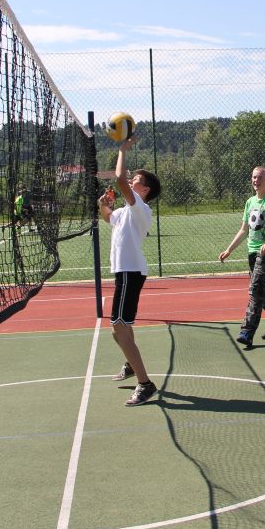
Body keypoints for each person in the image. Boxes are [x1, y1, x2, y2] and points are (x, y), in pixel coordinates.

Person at [98, 137, 162, 407]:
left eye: (136, 180)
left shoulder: (140, 208)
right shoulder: (126, 211)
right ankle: (131, 364)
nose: (131, 180)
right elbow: (107, 216)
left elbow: (120, 179)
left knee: (118, 327)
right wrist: (103, 203)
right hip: (124, 272)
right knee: (122, 326)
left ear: (144, 190)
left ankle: (145, 384)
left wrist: (122, 150)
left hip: (130, 272)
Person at [219, 166, 265, 350]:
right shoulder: (250, 202)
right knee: (262, 291)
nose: (256, 180)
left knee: (255, 290)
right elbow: (244, 230)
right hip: (252, 252)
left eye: (260, 178)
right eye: (254, 177)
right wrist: (229, 250)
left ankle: (247, 332)